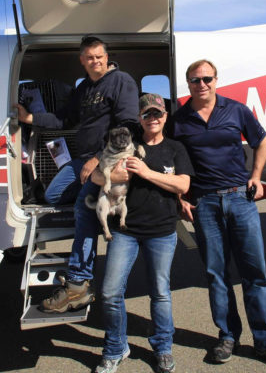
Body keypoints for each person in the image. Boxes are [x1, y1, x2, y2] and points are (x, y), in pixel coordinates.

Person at [172, 59, 266, 371]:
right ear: (187, 84)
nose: (201, 85)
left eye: (206, 79)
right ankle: (227, 335)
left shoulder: (236, 109)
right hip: (204, 204)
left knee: (255, 271)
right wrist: (179, 197)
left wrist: (256, 176)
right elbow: (171, 159)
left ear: (216, 80)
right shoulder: (179, 119)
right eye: (194, 80)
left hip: (240, 198)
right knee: (216, 274)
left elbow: (261, 141)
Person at [16, 36, 139, 312]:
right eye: (89, 58)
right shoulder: (84, 88)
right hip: (83, 159)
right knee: (53, 194)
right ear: (82, 61)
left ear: (106, 57)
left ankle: (78, 283)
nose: (95, 61)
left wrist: (98, 158)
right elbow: (64, 119)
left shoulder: (121, 81)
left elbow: (128, 125)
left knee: (84, 207)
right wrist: (30, 119)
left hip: (107, 159)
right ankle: (94, 220)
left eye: (99, 56)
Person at [92, 93, 193, 373]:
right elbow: (97, 176)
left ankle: (162, 348)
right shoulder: (126, 146)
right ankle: (115, 348)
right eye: (147, 114)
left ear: (165, 117)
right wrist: (108, 175)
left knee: (160, 293)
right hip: (125, 230)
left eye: (157, 114)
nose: (153, 119)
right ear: (140, 118)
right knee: (111, 293)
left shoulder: (175, 148)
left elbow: (183, 185)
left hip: (162, 231)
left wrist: (146, 173)